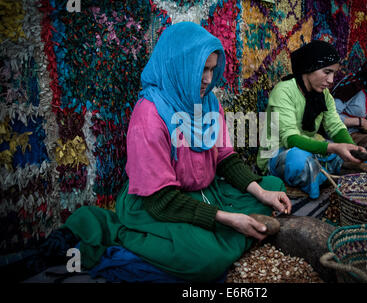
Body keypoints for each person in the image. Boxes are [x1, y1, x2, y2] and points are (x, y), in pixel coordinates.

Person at [57, 22, 291, 282]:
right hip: (159, 204)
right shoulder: (149, 116)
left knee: (272, 185)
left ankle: (231, 230)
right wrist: (229, 219)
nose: (207, 80)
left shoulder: (207, 103)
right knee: (206, 258)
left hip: (208, 192)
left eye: (213, 69)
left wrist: (262, 192)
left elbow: (225, 157)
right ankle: (123, 233)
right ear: (179, 66)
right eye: (202, 69)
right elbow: (161, 200)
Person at [256, 40, 367, 200]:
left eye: (333, 74)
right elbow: (291, 139)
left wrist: (352, 149)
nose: (331, 80)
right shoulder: (284, 91)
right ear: (309, 68)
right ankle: (320, 179)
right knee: (300, 161)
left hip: (311, 148)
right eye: (327, 72)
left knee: (362, 159)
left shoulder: (324, 95)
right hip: (278, 153)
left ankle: (321, 174)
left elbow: (336, 127)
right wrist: (334, 148)